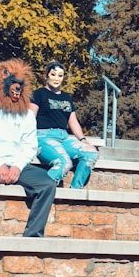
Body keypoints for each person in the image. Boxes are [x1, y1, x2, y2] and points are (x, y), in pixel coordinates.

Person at [0, 58, 56, 237]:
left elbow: (30, 146)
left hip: (17, 164)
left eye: (20, 86)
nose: (17, 90)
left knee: (47, 184)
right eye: (13, 85)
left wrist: (17, 165)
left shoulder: (27, 116)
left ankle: (33, 236)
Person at [29, 61, 99, 189]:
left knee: (91, 154)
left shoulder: (67, 98)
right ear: (46, 76)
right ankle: (40, 189)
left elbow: (73, 121)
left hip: (64, 138)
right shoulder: (38, 94)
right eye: (53, 74)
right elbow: (29, 118)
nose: (56, 78)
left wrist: (83, 140)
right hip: (44, 137)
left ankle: (75, 192)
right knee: (64, 162)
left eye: (60, 75)